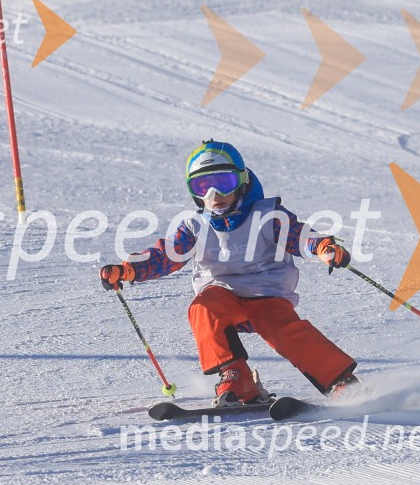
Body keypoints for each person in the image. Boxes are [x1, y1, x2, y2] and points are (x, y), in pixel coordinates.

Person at [100, 139, 358, 407]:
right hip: (221, 293)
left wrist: (323, 247)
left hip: (267, 293)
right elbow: (166, 255)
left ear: (242, 181)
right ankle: (236, 377)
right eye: (202, 186)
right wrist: (128, 270)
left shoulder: (267, 215)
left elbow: (298, 236)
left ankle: (340, 382)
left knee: (285, 331)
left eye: (223, 182)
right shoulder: (194, 225)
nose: (214, 194)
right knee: (203, 309)